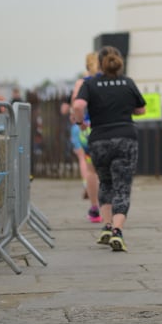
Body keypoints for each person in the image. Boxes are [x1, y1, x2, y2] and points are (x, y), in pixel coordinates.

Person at [73, 45, 146, 253]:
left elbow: (78, 106)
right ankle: (117, 231)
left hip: (99, 140)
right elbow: (141, 109)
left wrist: (81, 123)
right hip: (125, 138)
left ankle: (105, 226)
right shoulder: (127, 82)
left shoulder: (91, 83)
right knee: (122, 186)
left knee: (105, 182)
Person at [67, 51, 101, 223]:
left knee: (91, 170)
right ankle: (111, 205)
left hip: (87, 130)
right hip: (106, 127)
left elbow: (76, 106)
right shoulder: (106, 80)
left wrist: (79, 123)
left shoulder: (82, 82)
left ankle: (95, 208)